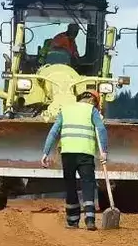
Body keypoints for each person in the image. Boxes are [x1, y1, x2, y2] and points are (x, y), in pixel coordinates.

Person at [41, 88, 108, 230]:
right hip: (85, 153)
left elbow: (54, 131)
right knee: (88, 184)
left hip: (68, 154)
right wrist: (104, 152)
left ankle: (72, 221)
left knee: (70, 185)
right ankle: (90, 220)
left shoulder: (65, 110)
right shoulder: (92, 111)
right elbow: (101, 130)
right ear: (93, 100)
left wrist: (45, 152)